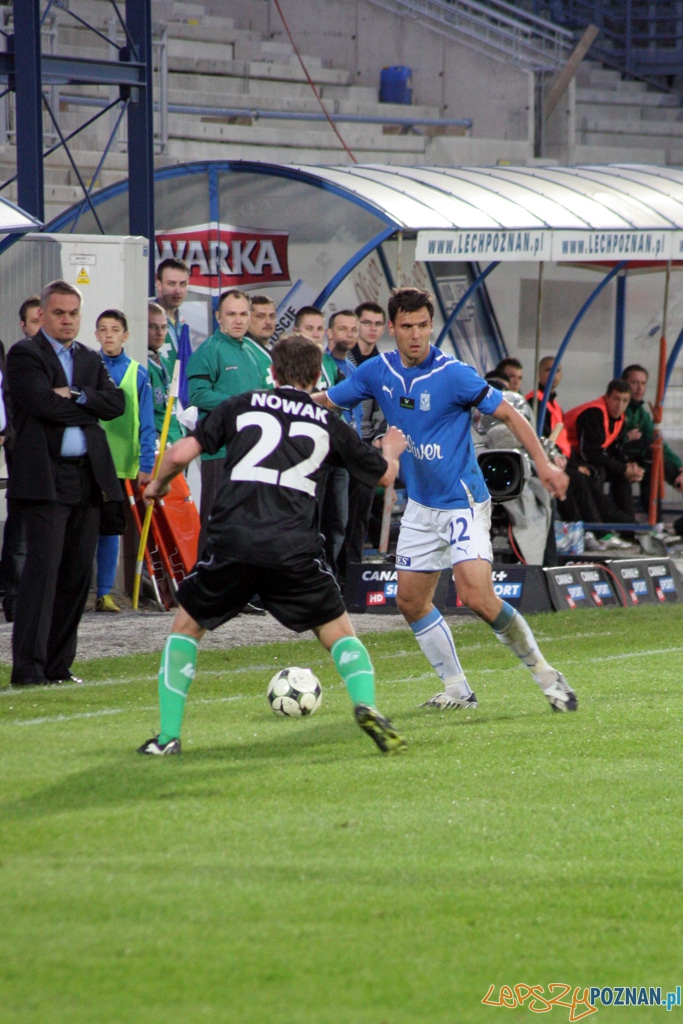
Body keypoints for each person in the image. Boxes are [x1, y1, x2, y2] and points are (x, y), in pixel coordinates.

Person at [138, 335, 408, 756]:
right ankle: (366, 705)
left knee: (187, 628)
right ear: (319, 376)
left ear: (273, 372)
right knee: (338, 633)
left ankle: (168, 737)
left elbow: (179, 453)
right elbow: (384, 478)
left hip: (233, 541)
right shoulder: (326, 423)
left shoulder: (241, 404)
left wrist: (156, 486)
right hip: (293, 548)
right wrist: (390, 451)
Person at [315, 287, 577, 714]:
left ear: (431, 325)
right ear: (392, 328)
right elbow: (326, 401)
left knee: (476, 596)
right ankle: (457, 688)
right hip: (420, 505)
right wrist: (274, 409)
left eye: (423, 326)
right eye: (406, 327)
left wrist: (545, 466)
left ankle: (547, 675)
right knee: (410, 602)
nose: (416, 335)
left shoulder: (454, 373)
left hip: (462, 501)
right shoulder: (376, 372)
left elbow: (508, 414)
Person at [6, 280, 125, 686]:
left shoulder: (89, 359)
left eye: (74, 313)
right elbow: (40, 403)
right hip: (44, 479)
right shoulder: (25, 355)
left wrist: (74, 394)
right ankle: (29, 669)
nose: (67, 320)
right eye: (59, 313)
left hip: (86, 479)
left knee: (77, 576)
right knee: (42, 575)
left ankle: (58, 665)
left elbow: (116, 404)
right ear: (42, 315)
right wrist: (87, 406)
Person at [187, 289, 272, 535]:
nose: (238, 320)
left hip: (253, 450)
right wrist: (240, 403)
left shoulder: (255, 353)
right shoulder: (208, 350)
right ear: (218, 317)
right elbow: (198, 395)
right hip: (220, 451)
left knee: (247, 524)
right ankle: (203, 572)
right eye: (231, 314)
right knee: (215, 522)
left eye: (244, 314)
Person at [95, 309, 156, 612]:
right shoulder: (86, 367)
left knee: (110, 527)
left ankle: (105, 591)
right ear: (96, 335)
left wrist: (146, 464)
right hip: (86, 461)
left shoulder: (138, 373)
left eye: (115, 329)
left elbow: (147, 422)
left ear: (126, 335)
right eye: (103, 329)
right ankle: (78, 589)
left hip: (119, 464)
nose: (109, 335)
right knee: (81, 527)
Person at [344, 302, 388, 578]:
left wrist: (380, 437)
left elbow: (391, 405)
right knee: (338, 514)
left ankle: (353, 569)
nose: (372, 329)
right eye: (367, 322)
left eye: (377, 324)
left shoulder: (385, 364)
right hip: (344, 442)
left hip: (369, 446)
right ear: (357, 324)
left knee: (361, 511)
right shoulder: (343, 360)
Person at [564, 380, 644, 529]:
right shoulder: (594, 413)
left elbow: (615, 449)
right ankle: (601, 525)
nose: (619, 405)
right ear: (606, 398)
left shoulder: (620, 419)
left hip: (583, 457)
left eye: (625, 401)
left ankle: (629, 528)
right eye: (616, 399)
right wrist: (622, 467)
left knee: (622, 476)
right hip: (568, 457)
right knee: (596, 472)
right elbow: (590, 453)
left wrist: (627, 467)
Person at [622, 363, 683, 509]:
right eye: (634, 382)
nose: (639, 388)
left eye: (643, 383)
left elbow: (658, 442)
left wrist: (680, 468)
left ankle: (655, 523)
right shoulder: (619, 408)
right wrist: (626, 437)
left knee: (652, 463)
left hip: (637, 456)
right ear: (624, 383)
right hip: (616, 456)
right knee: (649, 449)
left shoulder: (641, 413)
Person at [154, 257, 193, 407]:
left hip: (178, 405)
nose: (178, 290)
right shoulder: (146, 318)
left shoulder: (183, 323)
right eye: (171, 284)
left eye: (182, 284)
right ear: (159, 284)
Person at [148, 300, 183, 444]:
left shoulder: (166, 362)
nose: (160, 333)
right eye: (153, 327)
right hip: (158, 446)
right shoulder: (141, 367)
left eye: (163, 327)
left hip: (175, 441)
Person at [294, 306, 340, 390]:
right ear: (296, 332)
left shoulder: (329, 362)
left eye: (320, 329)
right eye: (309, 328)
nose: (316, 335)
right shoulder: (286, 362)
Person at [244, 293, 276, 384]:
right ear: (247, 318)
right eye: (261, 316)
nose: (268, 322)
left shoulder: (280, 351)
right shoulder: (242, 350)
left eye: (272, 316)